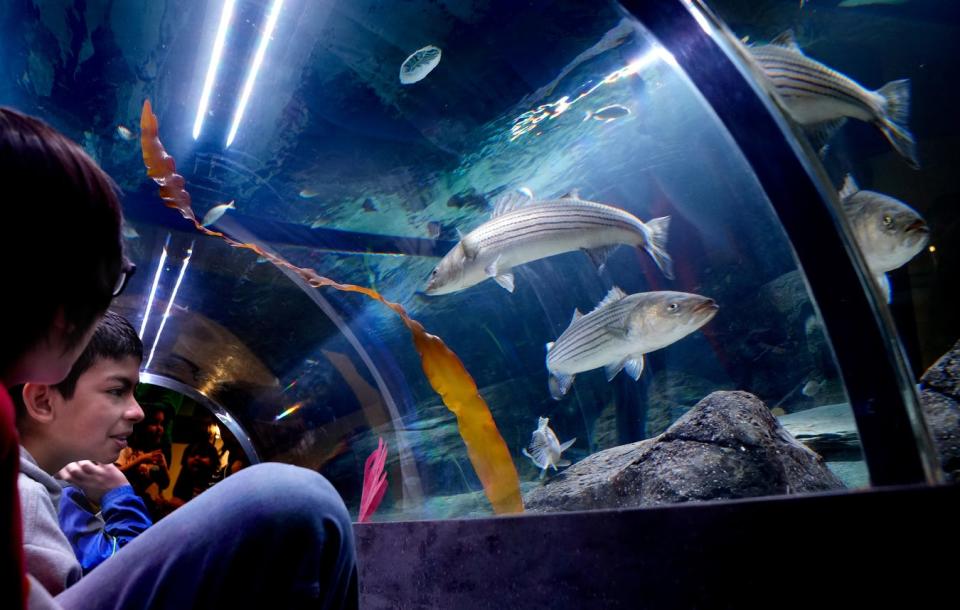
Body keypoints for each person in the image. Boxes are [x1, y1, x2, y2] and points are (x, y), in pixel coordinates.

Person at [1, 107, 358, 610]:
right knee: (294, 504)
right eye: (116, 389)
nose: (137, 411)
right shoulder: (29, 494)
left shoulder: (45, 487)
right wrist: (123, 500)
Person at [15, 311, 152, 585]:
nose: (138, 412)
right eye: (117, 390)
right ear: (43, 401)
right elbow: (134, 582)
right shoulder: (25, 499)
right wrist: (118, 495)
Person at [115, 403, 173, 520]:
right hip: (123, 505)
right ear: (141, 425)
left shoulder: (156, 454)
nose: (160, 428)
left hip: (147, 509)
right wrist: (140, 460)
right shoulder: (127, 449)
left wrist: (163, 467)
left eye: (162, 424)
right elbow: (115, 472)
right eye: (154, 423)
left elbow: (165, 484)